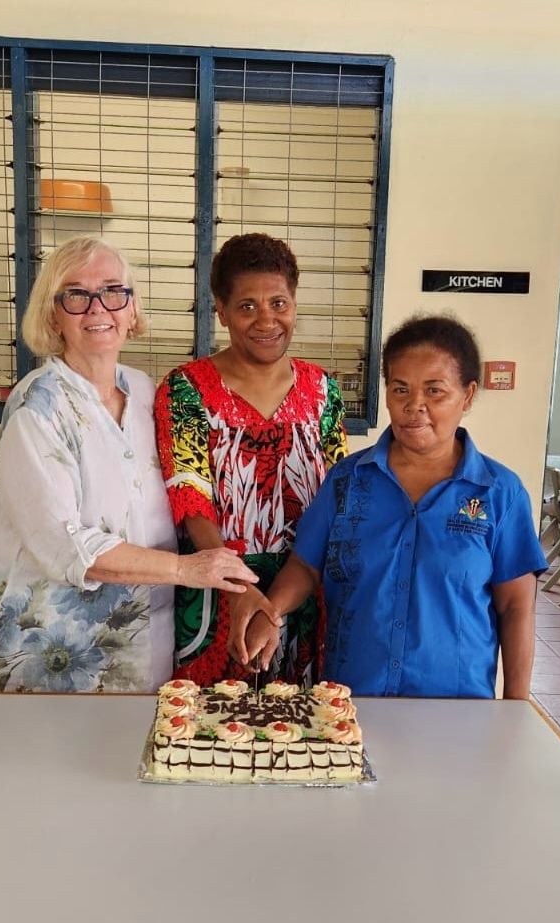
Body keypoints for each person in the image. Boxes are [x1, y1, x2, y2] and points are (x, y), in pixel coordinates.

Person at [0, 236, 257, 693]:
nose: (98, 308)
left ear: (132, 310)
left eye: (114, 292)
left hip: (137, 649)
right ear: (53, 315)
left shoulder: (145, 394)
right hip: (39, 657)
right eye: (76, 295)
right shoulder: (37, 406)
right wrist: (187, 569)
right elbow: (61, 543)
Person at [233, 314, 547, 699]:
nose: (415, 406)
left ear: (467, 395)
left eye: (435, 391)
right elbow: (304, 565)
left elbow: (516, 606)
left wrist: (517, 707)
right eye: (401, 390)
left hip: (457, 709)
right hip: (352, 702)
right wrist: (271, 611)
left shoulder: (500, 493)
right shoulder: (347, 481)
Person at [155, 232, 347, 687]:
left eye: (279, 303)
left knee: (300, 732)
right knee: (209, 730)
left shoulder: (323, 391)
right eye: (247, 306)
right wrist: (241, 589)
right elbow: (190, 498)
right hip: (220, 592)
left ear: (295, 303)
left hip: (304, 592)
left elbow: (339, 499)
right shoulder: (186, 389)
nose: (267, 320)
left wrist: (280, 603)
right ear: (220, 311)